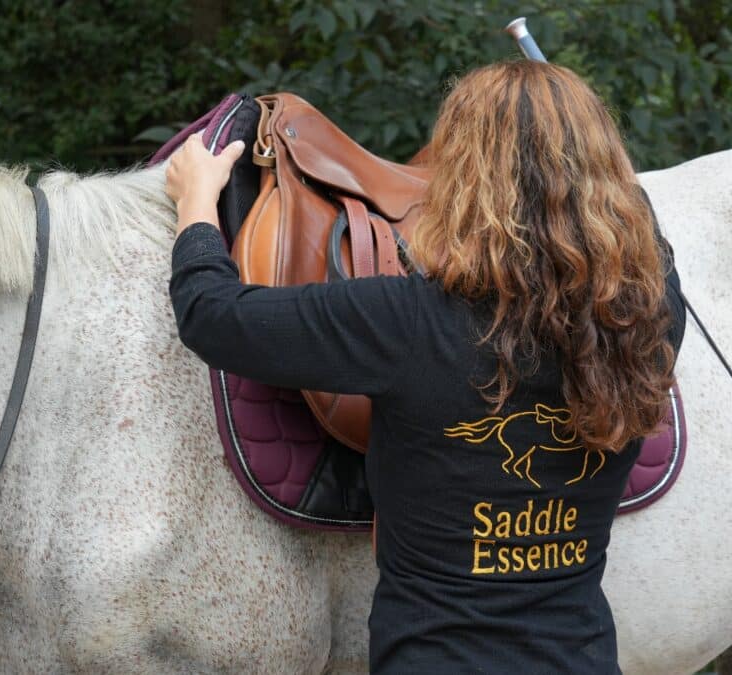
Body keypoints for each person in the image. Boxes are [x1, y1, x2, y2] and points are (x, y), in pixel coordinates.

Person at [165, 60, 686, 674]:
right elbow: (647, 240)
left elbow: (215, 317)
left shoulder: (405, 322)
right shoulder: (649, 320)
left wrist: (196, 201)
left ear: (453, 179)